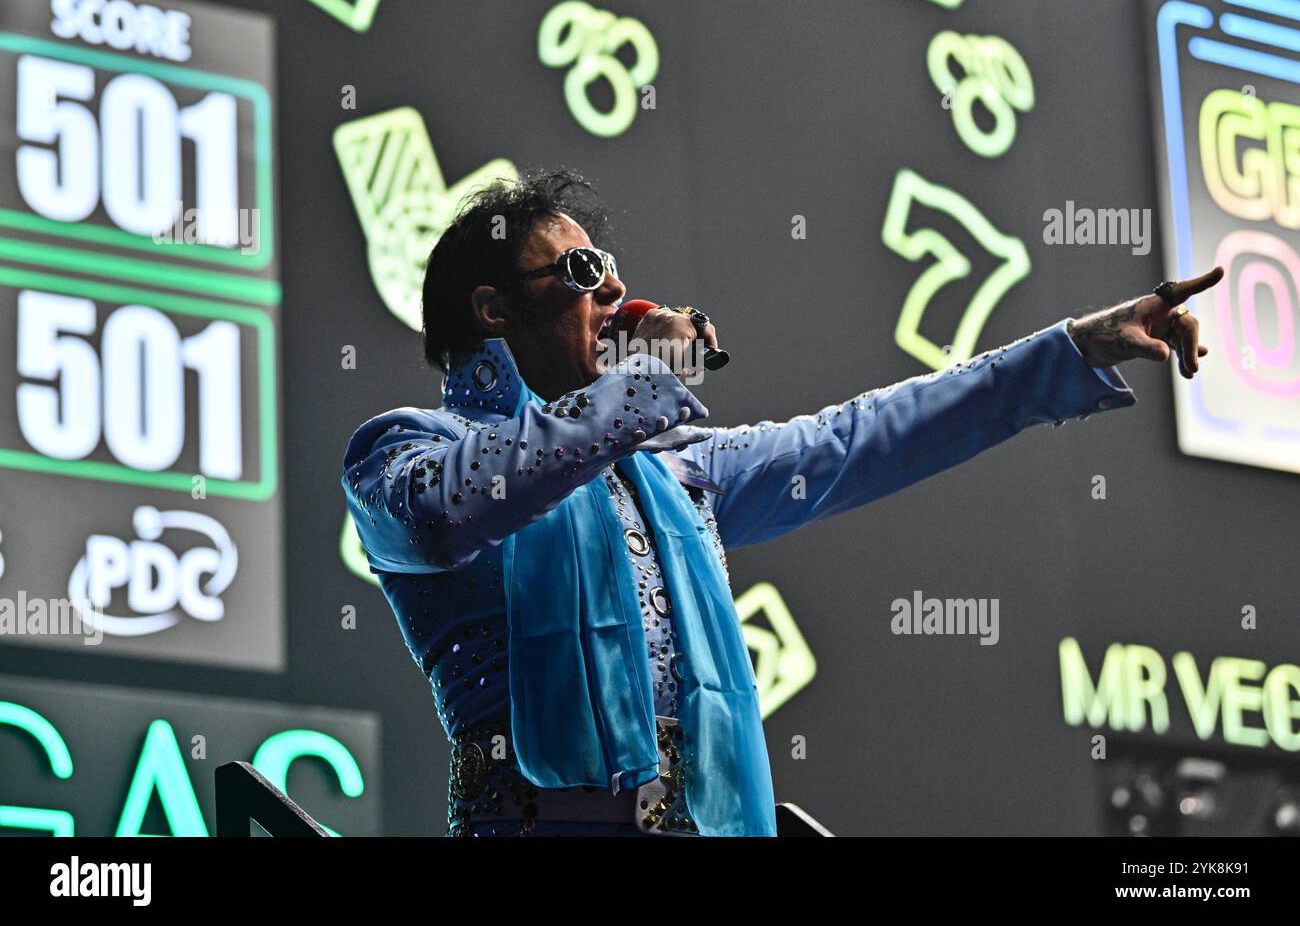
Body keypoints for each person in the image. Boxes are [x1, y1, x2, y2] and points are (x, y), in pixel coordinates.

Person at [341, 170, 1221, 837]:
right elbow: (462, 505)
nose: (613, 291)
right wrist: (646, 382)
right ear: (492, 308)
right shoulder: (404, 452)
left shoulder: (676, 471)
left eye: (612, 268)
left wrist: (1072, 348)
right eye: (580, 270)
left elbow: (864, 435)